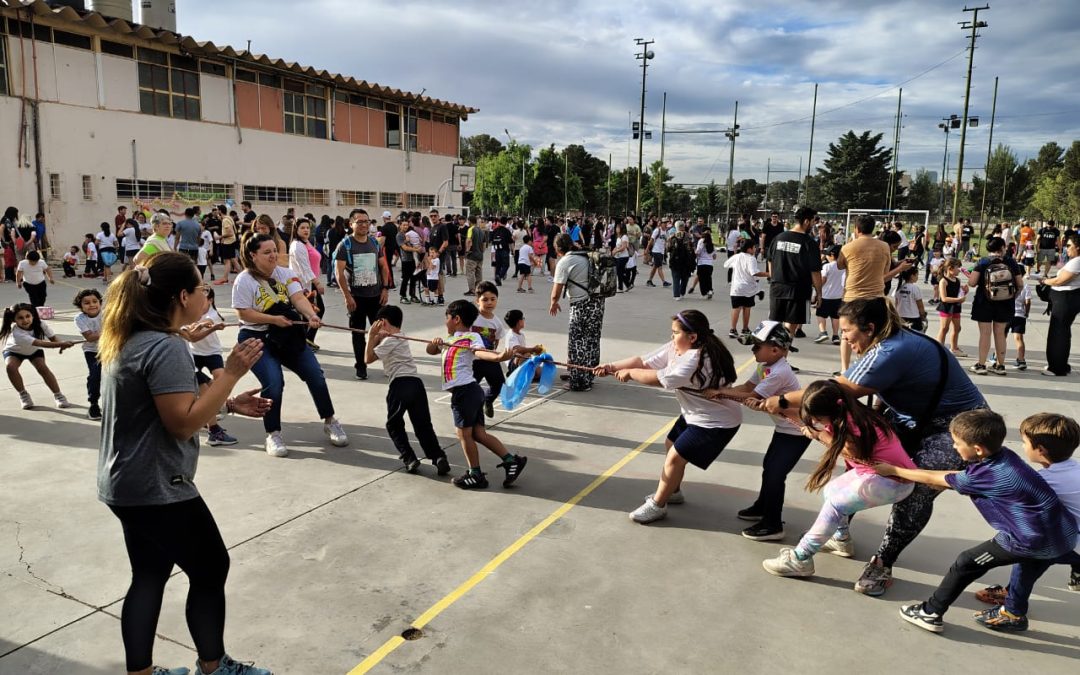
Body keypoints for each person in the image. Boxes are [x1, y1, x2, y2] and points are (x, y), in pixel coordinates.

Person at [96, 252, 273, 675]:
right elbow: (181, 424)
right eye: (200, 287)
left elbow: (168, 406)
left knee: (150, 575)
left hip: (125, 484)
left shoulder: (134, 337)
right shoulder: (166, 346)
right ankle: (215, 667)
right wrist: (230, 373)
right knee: (212, 568)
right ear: (182, 296)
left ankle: (142, 673)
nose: (206, 293)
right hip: (158, 485)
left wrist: (227, 404)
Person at [762, 297, 988, 596]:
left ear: (869, 328)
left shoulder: (891, 349)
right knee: (858, 458)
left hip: (957, 428)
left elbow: (836, 389)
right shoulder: (885, 342)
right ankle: (839, 534)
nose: (842, 337)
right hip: (914, 417)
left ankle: (883, 563)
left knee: (916, 489)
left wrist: (780, 401)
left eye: (846, 331)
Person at [877, 410, 1078, 634]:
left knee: (967, 563)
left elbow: (943, 479)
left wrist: (893, 470)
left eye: (957, 443)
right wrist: (945, 482)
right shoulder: (1006, 457)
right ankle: (1014, 614)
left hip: (1029, 540)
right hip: (1064, 536)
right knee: (1030, 563)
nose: (953, 447)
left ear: (978, 449)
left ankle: (930, 613)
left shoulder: (992, 474)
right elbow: (961, 479)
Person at [595, 310, 741, 523]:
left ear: (692, 337)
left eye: (675, 333)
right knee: (670, 443)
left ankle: (658, 505)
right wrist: (612, 366)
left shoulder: (696, 358)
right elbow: (644, 362)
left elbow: (661, 379)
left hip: (716, 422)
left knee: (674, 457)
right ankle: (673, 491)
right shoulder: (679, 347)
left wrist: (630, 373)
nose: (672, 337)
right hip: (694, 414)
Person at [761, 379, 917, 577]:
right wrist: (775, 409)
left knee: (836, 504)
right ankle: (841, 539)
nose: (816, 422)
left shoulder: (853, 424)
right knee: (831, 491)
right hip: (876, 474)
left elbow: (850, 450)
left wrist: (817, 435)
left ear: (831, 412)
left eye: (818, 418)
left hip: (893, 481)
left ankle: (800, 558)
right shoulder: (845, 412)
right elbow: (810, 421)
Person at [233, 233, 347, 457]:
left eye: (274, 250)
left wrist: (310, 314)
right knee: (273, 382)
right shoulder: (244, 280)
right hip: (256, 339)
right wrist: (273, 320)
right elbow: (243, 312)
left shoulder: (285, 273)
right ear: (252, 255)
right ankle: (272, 433)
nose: (273, 255)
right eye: (267, 252)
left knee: (315, 374)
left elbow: (298, 298)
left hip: (287, 335)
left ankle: (330, 419)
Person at [972, 413, 1080, 631]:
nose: (1022, 447)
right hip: (1072, 536)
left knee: (1029, 556)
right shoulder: (1073, 467)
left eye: (1024, 442)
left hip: (1071, 541)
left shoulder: (1046, 481)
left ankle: (1013, 612)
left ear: (1040, 450)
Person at [712, 322, 812, 540]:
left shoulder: (779, 373)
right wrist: (722, 391)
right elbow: (747, 389)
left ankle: (773, 524)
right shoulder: (765, 366)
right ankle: (762, 506)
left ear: (775, 349)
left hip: (798, 430)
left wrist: (719, 392)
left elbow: (753, 397)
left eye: (757, 346)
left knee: (776, 474)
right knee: (769, 467)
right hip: (784, 428)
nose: (753, 350)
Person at [425, 300, 526, 489]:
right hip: (470, 392)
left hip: (465, 391)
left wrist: (498, 357)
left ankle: (476, 474)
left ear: (456, 319)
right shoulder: (449, 338)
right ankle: (512, 460)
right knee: (479, 433)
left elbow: (481, 353)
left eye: (447, 318)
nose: (445, 321)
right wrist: (435, 343)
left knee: (464, 434)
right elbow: (430, 350)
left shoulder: (471, 337)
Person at [362, 305, 452, 475]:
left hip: (399, 384)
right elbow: (379, 348)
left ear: (383, 322)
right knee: (423, 425)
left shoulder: (390, 340)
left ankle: (409, 458)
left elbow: (368, 358)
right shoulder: (400, 337)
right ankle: (438, 457)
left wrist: (371, 336)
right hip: (416, 383)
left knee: (394, 425)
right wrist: (378, 336)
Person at [836, 214, 910, 371]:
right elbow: (885, 271)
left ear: (856, 229)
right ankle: (867, 365)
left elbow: (840, 266)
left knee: (846, 333)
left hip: (852, 296)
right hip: (875, 296)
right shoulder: (883, 246)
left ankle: (844, 368)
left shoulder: (848, 247)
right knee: (873, 333)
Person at [335, 209, 391, 380]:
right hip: (356, 299)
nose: (364, 225)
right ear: (351, 224)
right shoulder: (345, 245)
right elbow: (339, 273)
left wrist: (385, 288)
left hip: (376, 296)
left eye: (366, 221)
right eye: (359, 222)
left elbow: (383, 266)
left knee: (382, 332)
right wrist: (347, 296)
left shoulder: (374, 243)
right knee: (358, 334)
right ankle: (361, 365)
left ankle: (384, 362)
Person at [550, 233, 604, 392]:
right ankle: (587, 374)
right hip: (597, 303)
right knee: (592, 339)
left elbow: (556, 289)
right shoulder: (586, 255)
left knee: (577, 341)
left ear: (558, 249)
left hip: (581, 305)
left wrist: (553, 302)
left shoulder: (565, 261)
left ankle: (579, 381)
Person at [186, 287, 239, 447]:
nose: (200, 302)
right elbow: (192, 337)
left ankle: (210, 420)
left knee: (216, 382)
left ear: (210, 301)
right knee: (206, 391)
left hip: (210, 353)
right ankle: (213, 429)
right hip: (191, 356)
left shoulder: (212, 315)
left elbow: (202, 325)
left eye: (204, 298)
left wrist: (209, 325)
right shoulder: (182, 316)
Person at [967, 236, 1024, 376]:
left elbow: (972, 283)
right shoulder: (1011, 262)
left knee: (985, 334)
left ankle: (981, 364)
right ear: (1003, 247)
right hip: (1005, 303)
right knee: (1000, 334)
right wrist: (1012, 296)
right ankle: (1000, 365)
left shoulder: (983, 261)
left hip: (984, 301)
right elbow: (1020, 284)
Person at [2, 303, 74, 410]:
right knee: (11, 367)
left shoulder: (41, 324)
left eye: (28, 316)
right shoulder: (17, 333)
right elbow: (41, 343)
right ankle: (23, 395)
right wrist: (61, 344)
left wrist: (61, 345)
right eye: (20, 318)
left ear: (33, 315)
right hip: (14, 351)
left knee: (43, 368)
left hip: (34, 351)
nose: (25, 320)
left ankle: (58, 395)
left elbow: (53, 339)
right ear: (14, 320)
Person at [766, 206, 823, 341]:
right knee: (789, 331)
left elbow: (770, 262)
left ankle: (773, 359)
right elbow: (815, 271)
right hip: (798, 291)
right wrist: (819, 292)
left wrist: (774, 278)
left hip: (777, 288)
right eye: (813, 221)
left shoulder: (778, 238)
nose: (814, 224)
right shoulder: (809, 243)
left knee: (774, 328)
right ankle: (781, 360)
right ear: (806, 221)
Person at [1040, 233, 1080, 376]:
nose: (1066, 248)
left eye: (1069, 245)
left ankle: (1056, 367)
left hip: (1066, 298)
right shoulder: (1075, 260)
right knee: (1062, 331)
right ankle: (1060, 364)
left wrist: (1045, 281)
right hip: (1066, 297)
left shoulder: (1077, 261)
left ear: (1078, 247)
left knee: (1058, 333)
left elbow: (1061, 280)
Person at [472, 281, 508, 418]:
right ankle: (472, 408)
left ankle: (488, 400)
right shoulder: (473, 318)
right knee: (470, 385)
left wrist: (493, 355)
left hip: (489, 359)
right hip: (474, 360)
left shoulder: (497, 322)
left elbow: (497, 340)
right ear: (477, 301)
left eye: (493, 299)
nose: (489, 303)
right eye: (485, 299)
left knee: (498, 383)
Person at [288, 218, 325, 350]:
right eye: (302, 228)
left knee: (313, 312)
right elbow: (305, 269)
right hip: (303, 285)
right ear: (296, 230)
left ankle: (306, 340)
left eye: (308, 228)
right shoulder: (297, 246)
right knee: (310, 312)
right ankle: (303, 341)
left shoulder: (306, 243)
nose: (306, 230)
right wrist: (318, 283)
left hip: (311, 282)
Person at [725, 240, 768, 338]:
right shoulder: (751, 258)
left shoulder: (737, 256)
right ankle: (745, 329)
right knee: (746, 308)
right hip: (748, 288)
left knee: (736, 308)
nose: (755, 249)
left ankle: (733, 329)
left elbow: (726, 264)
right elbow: (753, 272)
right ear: (749, 249)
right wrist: (767, 274)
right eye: (754, 247)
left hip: (736, 287)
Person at [73, 288, 104, 420]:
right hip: (92, 351)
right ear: (80, 306)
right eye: (86, 303)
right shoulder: (79, 318)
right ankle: (94, 403)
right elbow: (90, 337)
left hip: (111, 348)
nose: (91, 305)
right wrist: (111, 331)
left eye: (94, 301)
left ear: (100, 303)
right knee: (95, 375)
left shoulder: (107, 313)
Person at [935, 259, 967, 356]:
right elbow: (944, 298)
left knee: (957, 328)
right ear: (950, 268)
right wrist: (958, 300)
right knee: (944, 328)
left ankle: (954, 348)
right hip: (946, 307)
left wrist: (965, 291)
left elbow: (959, 294)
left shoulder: (957, 280)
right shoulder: (943, 281)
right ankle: (939, 349)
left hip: (956, 307)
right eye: (958, 267)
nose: (959, 270)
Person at [814, 246, 845, 345]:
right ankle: (835, 336)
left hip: (825, 295)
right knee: (835, 316)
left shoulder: (827, 266)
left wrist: (817, 290)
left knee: (820, 314)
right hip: (838, 296)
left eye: (827, 254)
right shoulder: (843, 267)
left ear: (832, 255)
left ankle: (823, 332)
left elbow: (823, 279)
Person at [666, 221, 697, 300]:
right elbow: (692, 248)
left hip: (675, 260)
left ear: (676, 227)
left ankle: (676, 295)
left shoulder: (672, 237)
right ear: (683, 227)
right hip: (686, 260)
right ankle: (682, 292)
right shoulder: (688, 236)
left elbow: (668, 248)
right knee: (685, 277)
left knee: (676, 277)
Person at [893, 266, 928, 332]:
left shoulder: (898, 288)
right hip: (914, 318)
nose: (918, 277)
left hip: (901, 317)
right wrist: (923, 315)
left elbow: (896, 304)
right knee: (916, 337)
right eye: (917, 275)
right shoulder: (915, 288)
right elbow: (920, 305)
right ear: (912, 276)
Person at [462, 215, 486, 296]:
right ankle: (479, 289)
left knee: (470, 273)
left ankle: (471, 290)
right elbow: (484, 244)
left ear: (469, 221)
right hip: (480, 255)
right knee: (479, 273)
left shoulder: (470, 229)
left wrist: (467, 251)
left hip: (472, 255)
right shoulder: (481, 231)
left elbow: (468, 241)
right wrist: (482, 251)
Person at [216, 204, 238, 284]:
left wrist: (220, 237)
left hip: (228, 242)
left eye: (217, 210)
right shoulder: (229, 218)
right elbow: (234, 231)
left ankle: (225, 278)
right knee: (233, 260)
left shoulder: (225, 220)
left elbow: (230, 233)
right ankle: (242, 276)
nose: (216, 211)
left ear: (220, 211)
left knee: (227, 261)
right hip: (231, 241)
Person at [645, 219, 671, 287]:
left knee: (655, 267)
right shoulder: (657, 230)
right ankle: (664, 282)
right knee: (659, 267)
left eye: (666, 223)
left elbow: (666, 241)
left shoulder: (665, 231)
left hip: (661, 251)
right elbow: (651, 240)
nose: (665, 224)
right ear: (661, 223)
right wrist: (647, 249)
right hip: (656, 251)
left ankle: (649, 281)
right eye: (664, 223)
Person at [693, 229, 717, 300]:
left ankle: (704, 293)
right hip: (709, 264)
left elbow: (698, 251)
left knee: (702, 279)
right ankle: (710, 290)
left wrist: (695, 253)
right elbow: (714, 257)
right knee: (708, 278)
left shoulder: (701, 241)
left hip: (701, 263)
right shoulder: (711, 244)